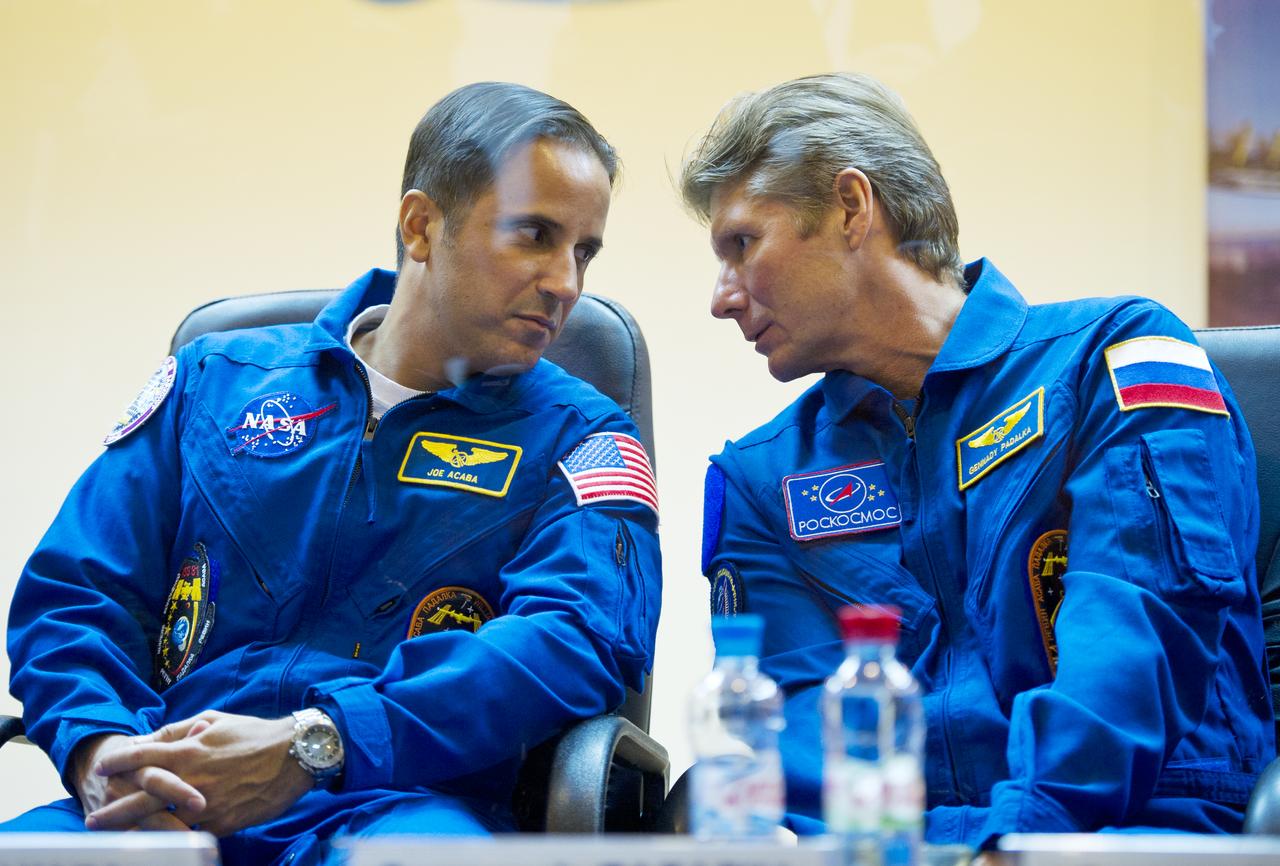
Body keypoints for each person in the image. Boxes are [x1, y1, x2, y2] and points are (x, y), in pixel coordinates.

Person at [3, 82, 661, 865]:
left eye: (584, 251)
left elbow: (572, 639)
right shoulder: (214, 382)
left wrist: (321, 742)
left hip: (394, 808)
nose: (566, 283)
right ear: (422, 226)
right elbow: (77, 594)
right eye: (536, 236)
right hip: (167, 795)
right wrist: (101, 753)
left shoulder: (583, 438)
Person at [681, 72, 1274, 848]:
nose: (722, 298)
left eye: (742, 245)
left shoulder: (1113, 361)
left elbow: (1134, 648)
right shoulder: (762, 478)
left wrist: (1016, 839)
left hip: (1131, 838)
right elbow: (794, 755)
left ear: (852, 208)